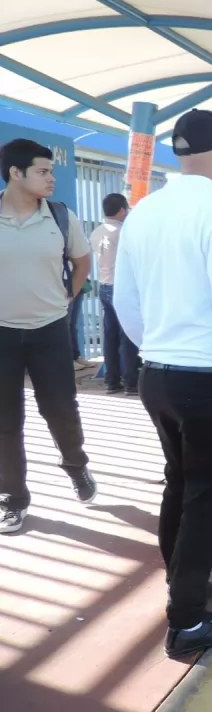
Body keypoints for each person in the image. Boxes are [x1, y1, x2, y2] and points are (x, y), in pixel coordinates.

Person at [113, 108, 212, 657]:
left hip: (157, 375)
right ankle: (188, 620)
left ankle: (184, 581)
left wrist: (157, 348)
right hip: (209, 381)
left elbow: (124, 301)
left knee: (179, 481)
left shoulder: (144, 212)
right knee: (206, 496)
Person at [0, 138, 97, 535]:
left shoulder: (60, 216)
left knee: (60, 409)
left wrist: (68, 297)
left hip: (50, 331)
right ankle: (13, 498)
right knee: (5, 422)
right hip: (2, 335)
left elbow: (82, 260)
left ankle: (75, 466)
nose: (50, 178)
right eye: (42, 171)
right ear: (15, 173)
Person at [90, 193, 140, 395]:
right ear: (121, 209)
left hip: (104, 286)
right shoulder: (124, 233)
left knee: (110, 336)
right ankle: (131, 382)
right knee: (127, 335)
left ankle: (112, 381)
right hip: (122, 288)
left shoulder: (96, 231)